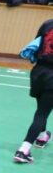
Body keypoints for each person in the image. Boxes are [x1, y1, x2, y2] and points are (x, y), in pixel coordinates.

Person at [14, 19, 53, 163]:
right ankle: (23, 150)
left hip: (38, 73)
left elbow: (38, 44)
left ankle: (42, 137)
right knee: (42, 114)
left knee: (41, 109)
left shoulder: (48, 24)